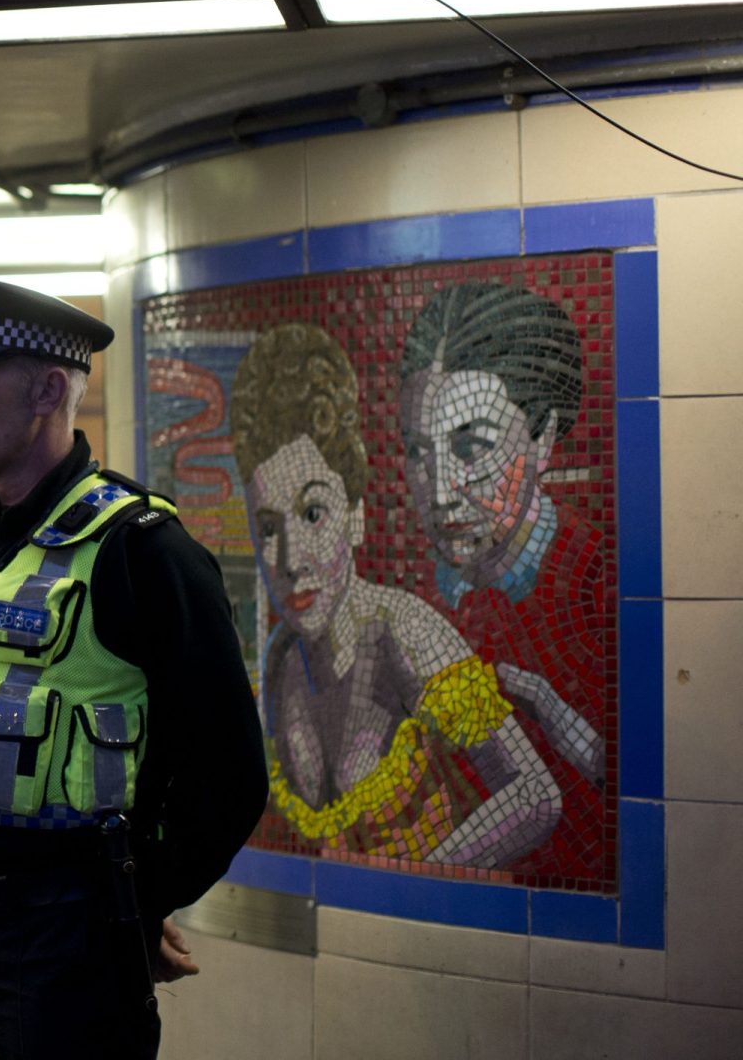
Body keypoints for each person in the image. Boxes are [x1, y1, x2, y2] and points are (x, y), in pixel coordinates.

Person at [0, 273, 267, 1060]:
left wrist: (125, 902)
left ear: (49, 389)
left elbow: (228, 778)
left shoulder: (141, 551)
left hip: (65, 958)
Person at [231, 324, 560, 868]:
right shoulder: (281, 657)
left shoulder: (404, 633)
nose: (289, 559)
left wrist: (421, 876)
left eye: (313, 514)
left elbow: (534, 795)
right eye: (268, 528)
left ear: (355, 516)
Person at [398, 282, 610, 881]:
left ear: (542, 439)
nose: (438, 492)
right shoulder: (414, 594)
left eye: (472, 448)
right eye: (418, 452)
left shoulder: (598, 586)